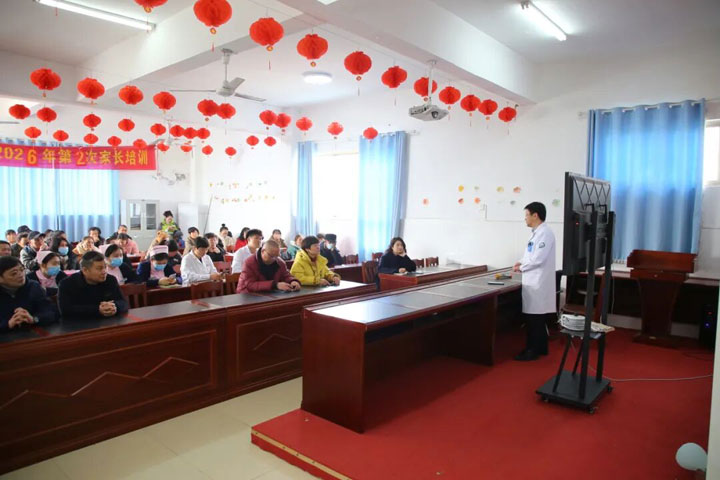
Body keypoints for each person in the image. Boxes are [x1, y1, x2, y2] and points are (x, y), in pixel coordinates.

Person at [513, 202, 556, 362]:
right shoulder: (537, 233)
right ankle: (541, 348)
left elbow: (538, 259)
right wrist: (520, 261)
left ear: (535, 215)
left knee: (534, 320)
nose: (525, 218)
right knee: (536, 319)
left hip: (538, 282)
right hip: (533, 281)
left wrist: (521, 268)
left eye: (526, 215)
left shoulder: (545, 233)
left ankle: (532, 351)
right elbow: (530, 254)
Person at [58, 251, 128, 319]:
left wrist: (115, 306)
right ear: (85, 270)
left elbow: (123, 303)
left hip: (109, 321)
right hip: (79, 323)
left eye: (105, 267)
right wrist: (97, 309)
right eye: (99, 268)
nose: (104, 271)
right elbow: (65, 310)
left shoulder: (110, 280)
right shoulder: (67, 284)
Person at [0, 256, 57, 331]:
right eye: (14, 273)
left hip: (33, 334)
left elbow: (51, 312)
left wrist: (34, 319)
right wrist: (7, 324)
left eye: (22, 270)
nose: (21, 275)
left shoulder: (34, 286)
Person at [237, 240, 301, 294]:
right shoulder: (249, 262)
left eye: (277, 256)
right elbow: (250, 285)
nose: (274, 259)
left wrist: (293, 281)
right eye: (272, 256)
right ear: (263, 251)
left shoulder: (279, 262)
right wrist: (275, 285)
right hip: (247, 294)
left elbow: (286, 275)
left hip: (269, 293)